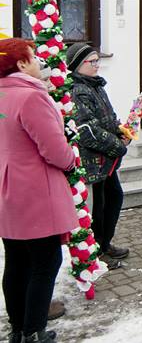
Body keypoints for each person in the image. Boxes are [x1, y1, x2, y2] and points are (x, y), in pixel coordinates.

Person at [0, 38, 77, 343]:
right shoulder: (31, 96)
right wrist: (70, 158)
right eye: (33, 58)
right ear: (21, 64)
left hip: (8, 189)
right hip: (34, 190)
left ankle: (18, 329)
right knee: (45, 262)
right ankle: (34, 330)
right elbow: (54, 150)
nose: (38, 63)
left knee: (17, 261)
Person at [66, 42, 130, 270]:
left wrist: (121, 130)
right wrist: (118, 145)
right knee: (99, 208)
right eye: (92, 61)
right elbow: (88, 130)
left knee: (113, 199)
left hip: (106, 160)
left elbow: (107, 117)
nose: (97, 65)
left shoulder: (95, 85)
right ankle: (96, 252)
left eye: (97, 60)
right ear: (78, 64)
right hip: (93, 160)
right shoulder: (77, 91)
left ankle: (104, 243)